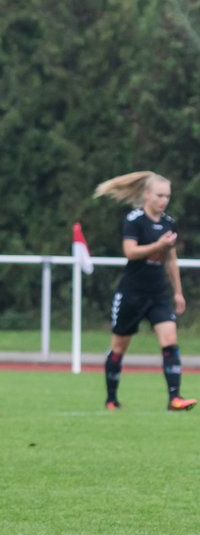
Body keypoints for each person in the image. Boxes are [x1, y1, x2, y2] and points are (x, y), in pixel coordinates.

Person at [95, 171, 195, 412]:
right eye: (159, 195)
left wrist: (178, 292)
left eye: (167, 196)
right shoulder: (134, 220)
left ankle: (175, 398)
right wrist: (158, 245)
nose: (164, 200)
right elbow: (130, 252)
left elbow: (171, 259)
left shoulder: (168, 223)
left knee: (170, 341)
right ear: (147, 195)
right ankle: (111, 399)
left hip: (158, 292)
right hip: (133, 292)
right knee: (119, 347)